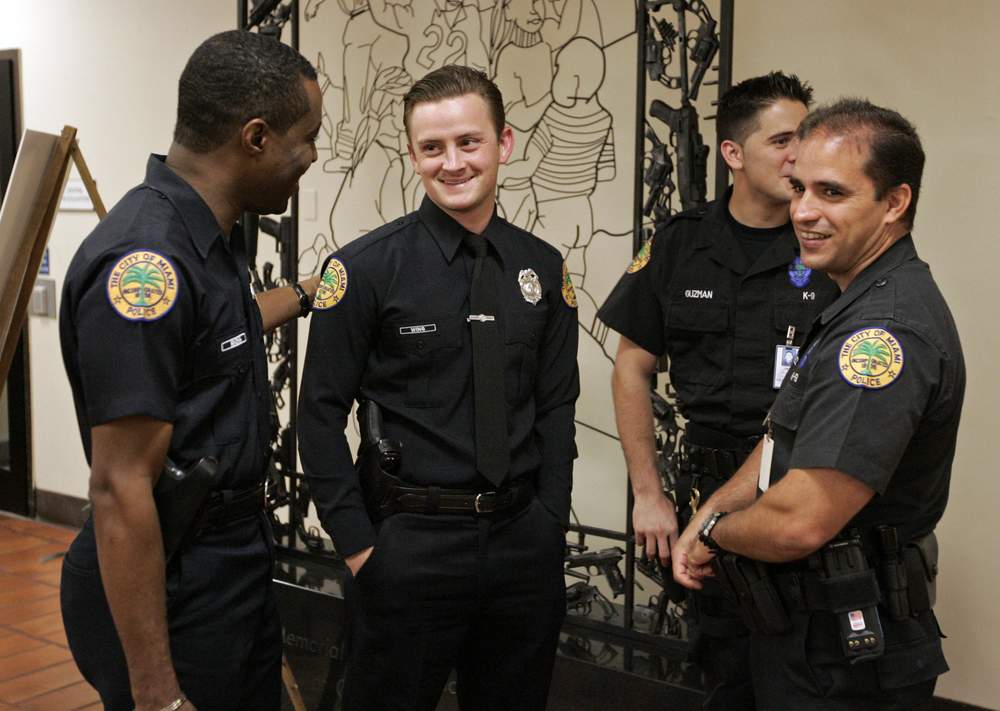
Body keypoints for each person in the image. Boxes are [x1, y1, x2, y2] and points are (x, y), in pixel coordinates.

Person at [298, 64, 579, 710]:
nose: (452, 163)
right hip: (409, 545)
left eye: (468, 142)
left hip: (520, 547)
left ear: (503, 143)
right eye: (432, 147)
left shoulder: (542, 269)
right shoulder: (365, 269)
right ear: (413, 153)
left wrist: (550, 524)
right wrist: (361, 548)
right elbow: (317, 416)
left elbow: (557, 405)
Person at [58, 30, 322, 711]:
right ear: (256, 137)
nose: (312, 158)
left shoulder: (205, 237)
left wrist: (304, 294)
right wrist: (158, 694)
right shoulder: (147, 264)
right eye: (306, 138)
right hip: (177, 579)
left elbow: (214, 333)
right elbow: (120, 487)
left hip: (229, 561)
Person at [673, 99, 965, 709]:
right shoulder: (853, 300)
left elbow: (799, 521)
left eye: (831, 193)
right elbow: (784, 438)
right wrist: (713, 513)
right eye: (799, 187)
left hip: (841, 656)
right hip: (801, 632)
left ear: (894, 203)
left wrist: (717, 532)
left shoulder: (882, 334)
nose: (803, 211)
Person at [597, 72, 837, 709]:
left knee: (805, 676)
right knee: (724, 674)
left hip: (802, 487)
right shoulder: (682, 243)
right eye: (784, 139)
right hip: (708, 497)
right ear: (733, 153)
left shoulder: (826, 240)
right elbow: (631, 368)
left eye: (806, 138)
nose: (800, 154)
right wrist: (648, 495)